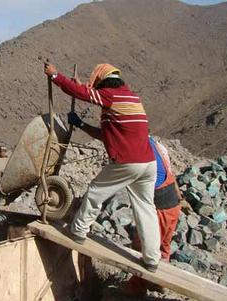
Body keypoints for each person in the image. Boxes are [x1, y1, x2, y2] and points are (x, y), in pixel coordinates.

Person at [43, 62, 161, 271]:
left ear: (103, 83)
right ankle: (152, 259)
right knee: (146, 208)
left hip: (128, 162)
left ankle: (78, 231)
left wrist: (55, 76)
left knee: (96, 192)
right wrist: (81, 125)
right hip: (148, 163)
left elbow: (82, 94)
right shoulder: (132, 98)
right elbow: (106, 135)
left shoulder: (111, 96)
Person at [124, 136, 183, 295]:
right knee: (164, 247)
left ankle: (136, 288)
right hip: (173, 206)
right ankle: (158, 281)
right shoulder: (159, 147)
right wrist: (179, 199)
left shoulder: (141, 153)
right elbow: (171, 174)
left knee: (143, 247)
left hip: (161, 209)